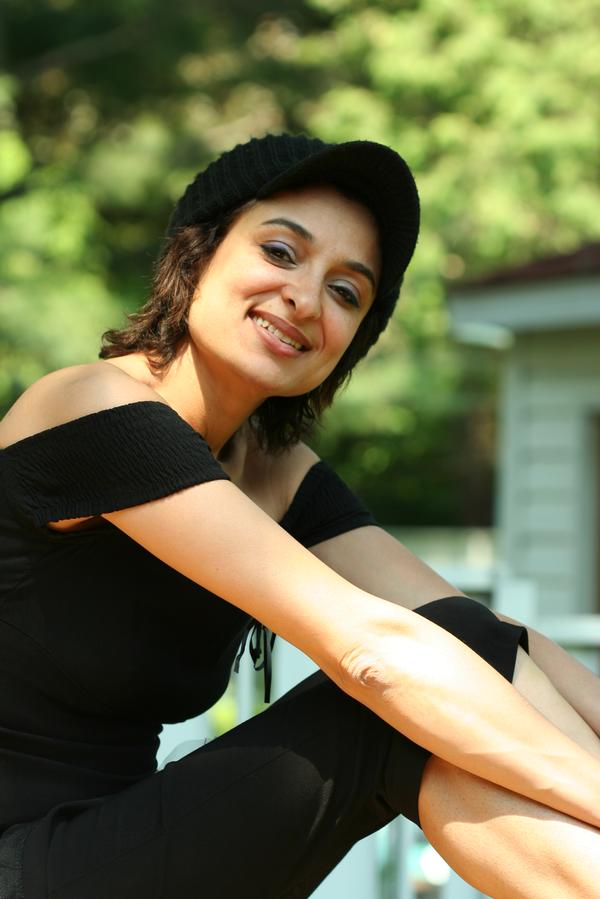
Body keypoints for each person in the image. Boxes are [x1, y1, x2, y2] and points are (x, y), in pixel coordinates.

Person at [1, 133, 600, 899]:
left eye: (347, 292)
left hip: (112, 847)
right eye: (281, 252)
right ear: (198, 250)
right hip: (24, 866)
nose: (306, 299)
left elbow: (483, 634)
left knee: (458, 641)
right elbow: (371, 650)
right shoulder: (92, 408)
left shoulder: (274, 472)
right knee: (387, 714)